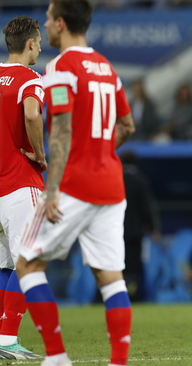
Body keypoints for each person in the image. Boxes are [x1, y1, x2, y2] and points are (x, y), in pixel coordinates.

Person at [15, 1, 135, 366]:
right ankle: (118, 362)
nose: (46, 25)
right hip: (111, 186)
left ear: (61, 24)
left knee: (27, 264)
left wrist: (51, 189)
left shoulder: (60, 67)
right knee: (110, 277)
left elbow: (61, 130)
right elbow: (127, 127)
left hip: (74, 184)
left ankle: (56, 358)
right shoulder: (107, 68)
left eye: (49, 18)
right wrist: (99, 151)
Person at [0, 16, 47, 360]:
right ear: (30, 44)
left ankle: (1, 338)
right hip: (20, 183)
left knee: (5, 265)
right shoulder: (31, 79)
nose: (41, 47)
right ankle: (6, 340)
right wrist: (41, 156)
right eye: (40, 41)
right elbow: (32, 114)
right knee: (30, 262)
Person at [121, 151, 160, 302]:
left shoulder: (115, 178)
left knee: (117, 264)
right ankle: (135, 296)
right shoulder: (140, 179)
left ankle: (116, 295)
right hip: (135, 233)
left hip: (115, 230)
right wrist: (153, 228)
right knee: (135, 266)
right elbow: (147, 206)